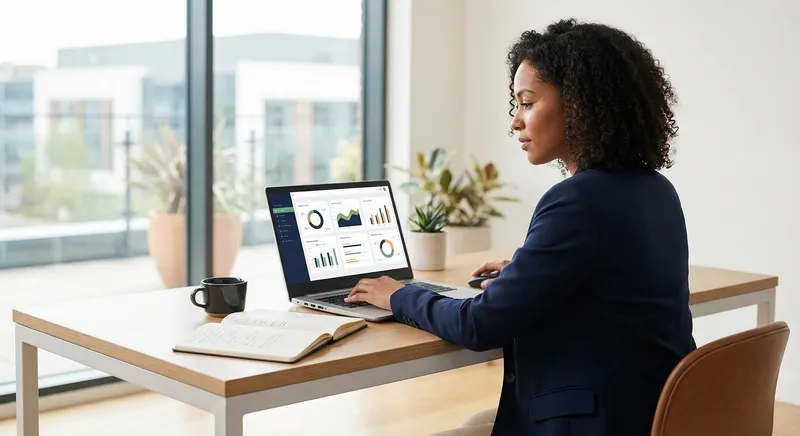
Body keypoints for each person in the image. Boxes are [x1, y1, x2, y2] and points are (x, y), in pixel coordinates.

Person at [345, 18, 697, 436]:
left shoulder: (577, 201)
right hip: (652, 413)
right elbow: (612, 277)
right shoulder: (656, 189)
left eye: (527, 103)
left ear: (578, 104)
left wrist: (399, 295)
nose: (515, 121)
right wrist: (527, 272)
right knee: (477, 423)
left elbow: (480, 324)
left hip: (595, 422)